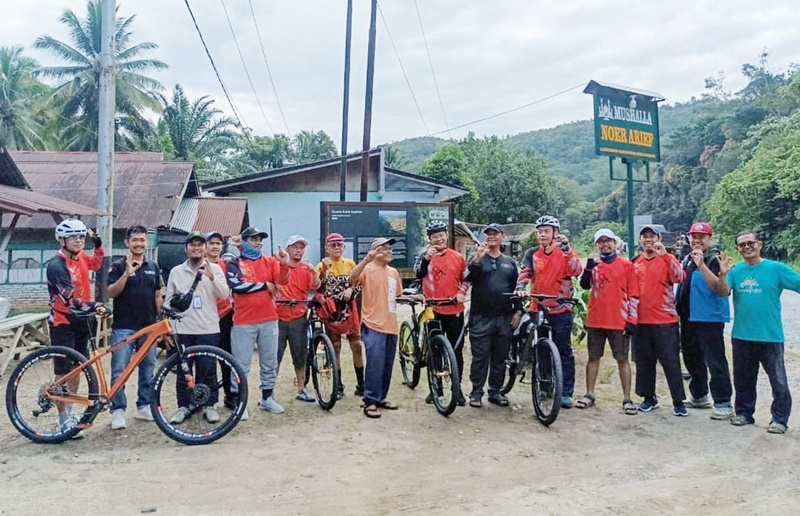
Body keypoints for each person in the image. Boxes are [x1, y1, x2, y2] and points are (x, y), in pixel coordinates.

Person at [708, 231, 800, 434]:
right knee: (743, 379)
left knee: (779, 381)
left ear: (759, 244)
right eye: (742, 245)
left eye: (750, 243)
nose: (747, 247)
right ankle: (744, 413)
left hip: (770, 336)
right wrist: (722, 274)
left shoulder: (776, 269)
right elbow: (723, 292)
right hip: (742, 335)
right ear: (738, 249)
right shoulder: (735, 270)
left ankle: (779, 419)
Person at [514, 215, 582, 408]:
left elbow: (576, 271)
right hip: (539, 306)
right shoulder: (533, 253)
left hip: (561, 308)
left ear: (556, 233)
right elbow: (525, 272)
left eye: (546, 231)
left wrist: (567, 250)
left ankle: (566, 392)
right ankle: (544, 386)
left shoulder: (566, 252)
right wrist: (520, 286)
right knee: (541, 349)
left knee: (564, 350)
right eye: (540, 231)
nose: (542, 234)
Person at [164, 232, 230, 424]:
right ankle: (184, 406)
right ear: (186, 248)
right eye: (192, 245)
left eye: (200, 245)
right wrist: (169, 329)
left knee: (208, 368)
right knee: (184, 371)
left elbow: (225, 295)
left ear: (205, 248)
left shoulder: (216, 268)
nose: (196, 248)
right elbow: (169, 300)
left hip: (208, 328)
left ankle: (209, 405)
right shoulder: (177, 271)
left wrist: (211, 277)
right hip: (183, 329)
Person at [46, 219, 105, 435]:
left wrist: (97, 243)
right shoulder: (56, 266)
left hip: (82, 320)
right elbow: (70, 301)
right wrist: (96, 304)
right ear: (62, 240)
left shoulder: (80, 257)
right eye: (73, 237)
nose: (79, 240)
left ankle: (71, 411)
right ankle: (63, 419)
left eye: (81, 236)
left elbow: (96, 264)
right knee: (63, 371)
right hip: (63, 322)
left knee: (79, 368)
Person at [226, 227, 290, 419]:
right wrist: (264, 285)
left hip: (269, 319)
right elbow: (236, 285)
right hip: (243, 321)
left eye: (260, 240)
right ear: (244, 241)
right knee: (241, 364)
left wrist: (284, 263)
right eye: (253, 239)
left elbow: (282, 281)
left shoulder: (270, 261)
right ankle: (239, 402)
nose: (258, 243)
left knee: (269, 362)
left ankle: (267, 397)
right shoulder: (234, 262)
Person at [107, 225, 164, 430]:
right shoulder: (117, 266)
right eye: (135, 240)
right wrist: (127, 273)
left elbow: (157, 295)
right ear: (127, 243)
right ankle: (117, 410)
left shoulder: (153, 266)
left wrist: (161, 321)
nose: (139, 243)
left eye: (142, 240)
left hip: (148, 327)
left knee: (147, 368)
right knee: (119, 370)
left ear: (146, 242)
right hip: (123, 327)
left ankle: (144, 406)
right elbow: (111, 293)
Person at [577, 229, 639, 415]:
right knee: (593, 357)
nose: (605, 244)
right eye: (601, 241)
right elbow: (584, 285)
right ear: (596, 245)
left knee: (622, 359)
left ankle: (627, 398)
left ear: (615, 243)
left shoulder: (627, 266)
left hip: (618, 320)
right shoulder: (594, 265)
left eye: (608, 241)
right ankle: (589, 394)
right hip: (596, 320)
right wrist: (588, 267)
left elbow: (634, 294)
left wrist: (632, 319)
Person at [676, 222, 734, 420]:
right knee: (692, 358)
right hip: (688, 316)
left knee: (715, 360)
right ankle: (699, 395)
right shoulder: (687, 258)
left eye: (701, 236)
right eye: (693, 236)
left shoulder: (714, 260)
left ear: (710, 238)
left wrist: (702, 265)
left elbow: (719, 288)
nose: (697, 240)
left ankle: (723, 401)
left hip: (709, 318)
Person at [630, 225, 688, 416]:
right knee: (644, 362)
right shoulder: (635, 262)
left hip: (665, 321)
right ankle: (648, 398)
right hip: (641, 321)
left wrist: (665, 256)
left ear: (659, 238)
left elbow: (680, 277)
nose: (648, 240)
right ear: (640, 240)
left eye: (651, 236)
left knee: (671, 362)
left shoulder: (667, 259)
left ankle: (678, 401)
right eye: (644, 237)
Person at [465, 223, 522, 408]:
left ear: (502, 237)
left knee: (500, 356)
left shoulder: (510, 262)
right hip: (480, 316)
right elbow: (467, 278)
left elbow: (517, 288)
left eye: (495, 234)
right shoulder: (477, 258)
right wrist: (476, 260)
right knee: (480, 356)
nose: (491, 236)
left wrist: (518, 311)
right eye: (488, 234)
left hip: (504, 317)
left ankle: (495, 391)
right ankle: (476, 392)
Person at [414, 221, 469, 406]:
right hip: (433, 309)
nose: (438, 239)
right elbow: (417, 274)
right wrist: (427, 259)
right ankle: (435, 388)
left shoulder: (458, 257)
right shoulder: (424, 256)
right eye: (434, 236)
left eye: (441, 235)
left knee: (456, 351)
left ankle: (457, 389)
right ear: (429, 239)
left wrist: (461, 292)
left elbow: (466, 279)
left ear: (447, 235)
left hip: (455, 310)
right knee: (434, 350)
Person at [350, 237, 403, 419]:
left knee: (387, 364)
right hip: (373, 325)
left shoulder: (394, 272)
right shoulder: (367, 269)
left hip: (391, 325)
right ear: (375, 251)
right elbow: (352, 279)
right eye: (385, 248)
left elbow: (397, 295)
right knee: (375, 363)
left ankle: (381, 398)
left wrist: (416, 297)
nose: (389, 251)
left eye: (390, 248)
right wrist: (366, 260)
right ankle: (370, 401)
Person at [316, 233, 364, 398]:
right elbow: (316, 286)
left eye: (340, 245)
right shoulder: (322, 265)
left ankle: (361, 384)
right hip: (332, 310)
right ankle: (338, 385)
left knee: (356, 345)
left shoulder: (350, 263)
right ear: (327, 248)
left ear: (344, 247)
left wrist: (351, 289)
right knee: (335, 346)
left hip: (349, 309)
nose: (337, 248)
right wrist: (322, 269)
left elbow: (358, 282)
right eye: (333, 245)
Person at [276, 235, 321, 403]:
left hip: (299, 317)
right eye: (295, 247)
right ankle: (269, 392)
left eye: (301, 248)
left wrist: (313, 272)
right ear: (288, 249)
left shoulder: (305, 268)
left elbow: (315, 286)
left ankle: (301, 388)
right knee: (275, 356)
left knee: (300, 355)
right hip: (278, 318)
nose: (299, 251)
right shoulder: (280, 266)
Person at [205, 231, 236, 410]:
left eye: (218, 243)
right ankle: (207, 400)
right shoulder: (198, 264)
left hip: (225, 316)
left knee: (227, 359)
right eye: (211, 243)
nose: (215, 246)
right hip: (205, 318)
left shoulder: (228, 265)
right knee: (207, 361)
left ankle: (230, 396)